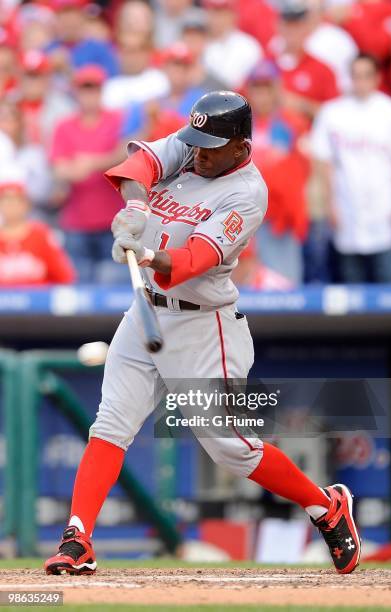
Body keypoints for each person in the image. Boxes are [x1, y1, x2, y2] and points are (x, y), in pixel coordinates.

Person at [44, 90, 361, 577]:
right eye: (196, 142)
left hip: (202, 323)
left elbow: (193, 261)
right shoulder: (195, 145)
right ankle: (78, 537)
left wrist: (145, 254)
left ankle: (325, 505)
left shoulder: (247, 193)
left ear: (240, 146)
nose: (198, 152)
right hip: (145, 309)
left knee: (231, 446)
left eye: (212, 146)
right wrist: (136, 209)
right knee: (110, 424)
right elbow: (137, 167)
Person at [311, 54, 391, 283]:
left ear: (377, 77)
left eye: (366, 76)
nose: (361, 82)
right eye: (356, 76)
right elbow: (324, 163)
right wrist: (330, 204)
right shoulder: (332, 112)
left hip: (384, 204)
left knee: (388, 276)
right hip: (347, 205)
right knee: (351, 280)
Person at [50, 65, 125, 281]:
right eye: (85, 89)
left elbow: (126, 154)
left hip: (114, 220)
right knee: (79, 289)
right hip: (76, 221)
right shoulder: (64, 125)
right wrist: (77, 169)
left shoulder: (117, 119)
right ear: (76, 92)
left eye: (94, 89)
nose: (89, 95)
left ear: (102, 91)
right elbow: (58, 168)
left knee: (114, 288)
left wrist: (91, 163)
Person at [246, 60, 309, 283]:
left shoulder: (291, 123)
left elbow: (298, 171)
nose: (262, 95)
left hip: (278, 219)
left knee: (285, 284)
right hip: (246, 216)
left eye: (267, 88)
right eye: (257, 88)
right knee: (252, 286)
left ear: (276, 90)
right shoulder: (240, 126)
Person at [0, 174, 75, 285]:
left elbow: (64, 276)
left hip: (38, 299)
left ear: (27, 205)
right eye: (6, 201)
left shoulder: (41, 234)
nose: (11, 205)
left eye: (16, 201)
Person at [202, 0, 263, 89]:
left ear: (233, 15)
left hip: (239, 99)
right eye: (214, 13)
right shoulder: (201, 45)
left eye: (222, 14)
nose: (217, 19)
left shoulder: (248, 46)